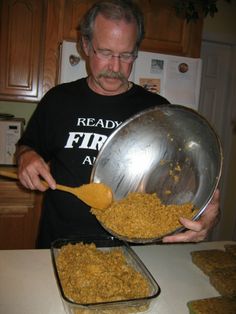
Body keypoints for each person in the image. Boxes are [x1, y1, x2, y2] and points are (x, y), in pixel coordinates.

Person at [16, 0, 220, 248]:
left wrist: (205, 212)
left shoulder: (158, 112)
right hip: (61, 245)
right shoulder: (58, 100)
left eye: (126, 55)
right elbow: (28, 146)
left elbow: (187, 180)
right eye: (105, 53)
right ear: (86, 45)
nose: (115, 67)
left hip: (132, 253)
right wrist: (26, 156)